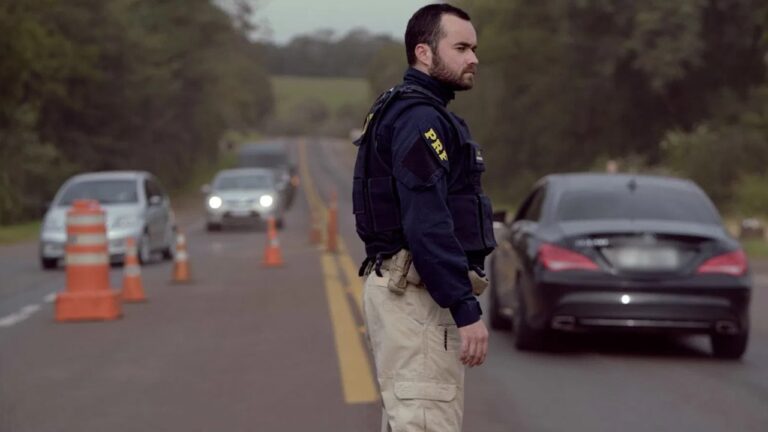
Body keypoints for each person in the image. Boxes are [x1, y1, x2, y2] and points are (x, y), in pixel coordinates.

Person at [351, 3, 496, 431]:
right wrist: (465, 307)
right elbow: (426, 223)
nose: (473, 59)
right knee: (425, 421)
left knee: (411, 420)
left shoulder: (412, 111)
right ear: (424, 53)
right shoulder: (420, 119)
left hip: (409, 294)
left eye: (474, 49)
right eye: (461, 47)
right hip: (416, 298)